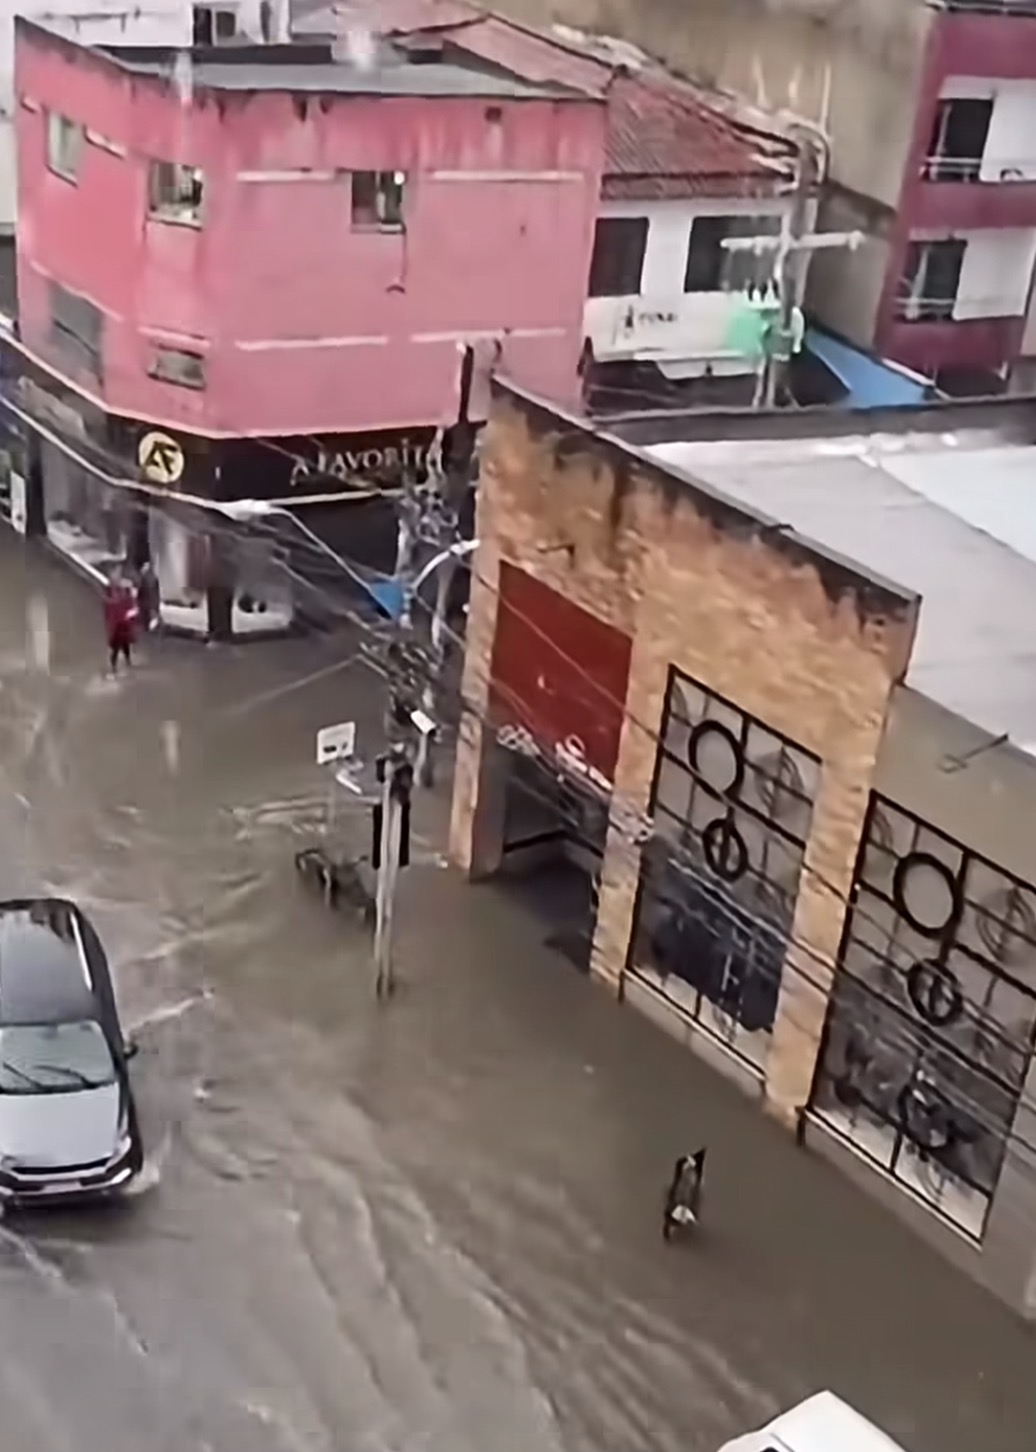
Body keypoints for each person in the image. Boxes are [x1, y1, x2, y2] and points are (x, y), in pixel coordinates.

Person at [663, 1148, 706, 1241]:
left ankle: (668, 1228)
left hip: (680, 1196)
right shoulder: (692, 1175)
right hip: (683, 1196)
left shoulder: (684, 1169)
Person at [103, 576, 137, 673]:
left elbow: (130, 608)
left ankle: (122, 663)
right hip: (118, 624)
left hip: (121, 624)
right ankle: (116, 665)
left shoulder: (121, 597)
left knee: (122, 645)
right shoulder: (113, 597)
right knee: (117, 646)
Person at [135, 561, 160, 634]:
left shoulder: (149, 578)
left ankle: (148, 626)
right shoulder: (150, 578)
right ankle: (148, 626)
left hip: (148, 601)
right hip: (148, 601)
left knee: (148, 610)